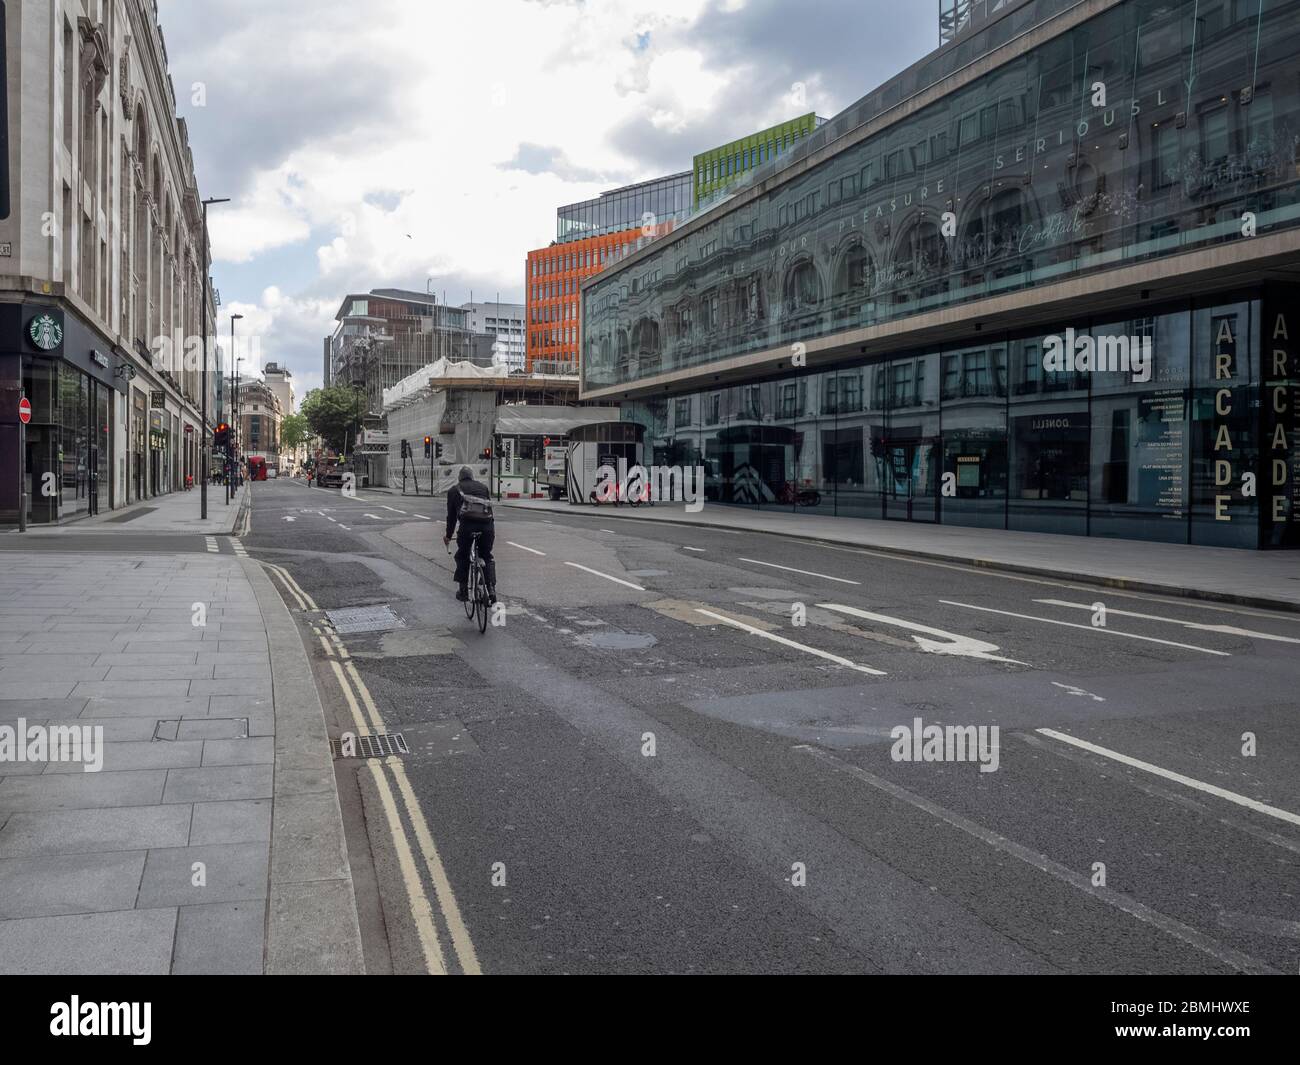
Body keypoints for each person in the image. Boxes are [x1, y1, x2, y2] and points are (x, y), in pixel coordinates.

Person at [444, 466, 496, 604]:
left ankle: (463, 591)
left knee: (462, 556)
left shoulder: (454, 490)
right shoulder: (483, 488)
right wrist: (490, 530)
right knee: (487, 556)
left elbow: (452, 518)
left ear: (459, 478)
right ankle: (491, 588)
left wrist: (448, 536)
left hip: (467, 528)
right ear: (472, 477)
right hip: (487, 527)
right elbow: (489, 511)